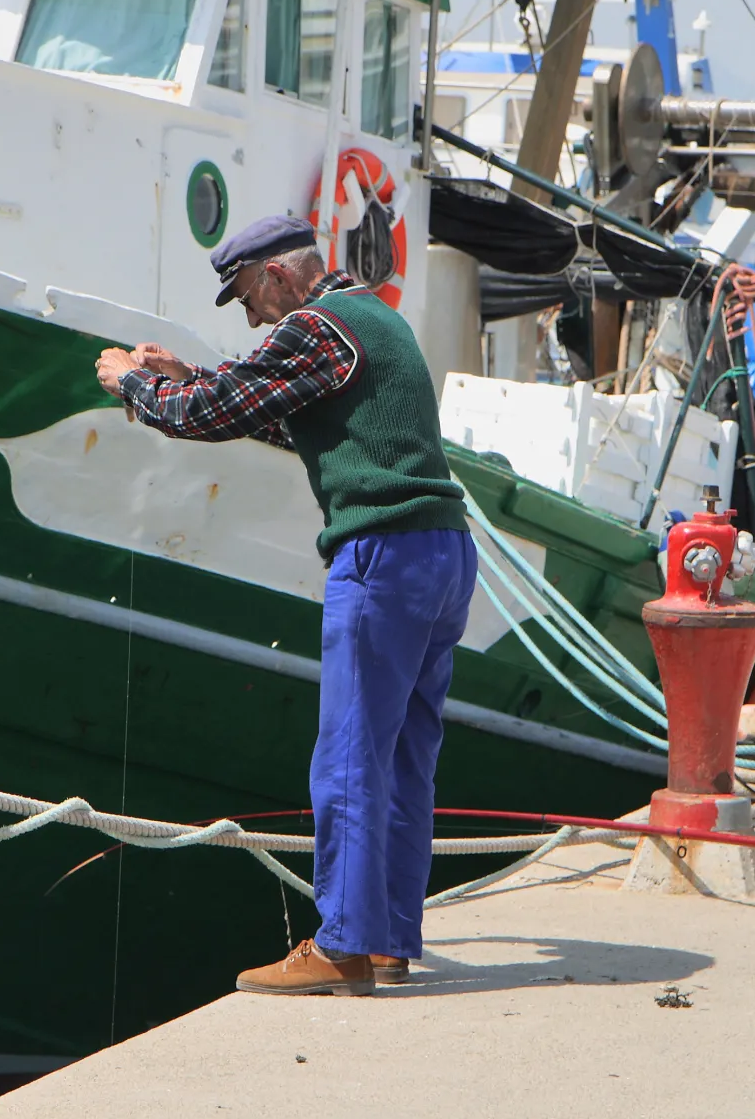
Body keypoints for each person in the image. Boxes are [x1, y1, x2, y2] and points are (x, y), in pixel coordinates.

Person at [94, 213, 476, 997]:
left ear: (275, 275)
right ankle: (389, 938)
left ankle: (342, 945)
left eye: (246, 298)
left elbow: (210, 414)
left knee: (348, 757)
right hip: (443, 553)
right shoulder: (374, 317)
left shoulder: (314, 325)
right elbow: (280, 409)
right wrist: (188, 372)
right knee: (407, 757)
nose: (250, 317)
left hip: (383, 556)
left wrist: (134, 383)